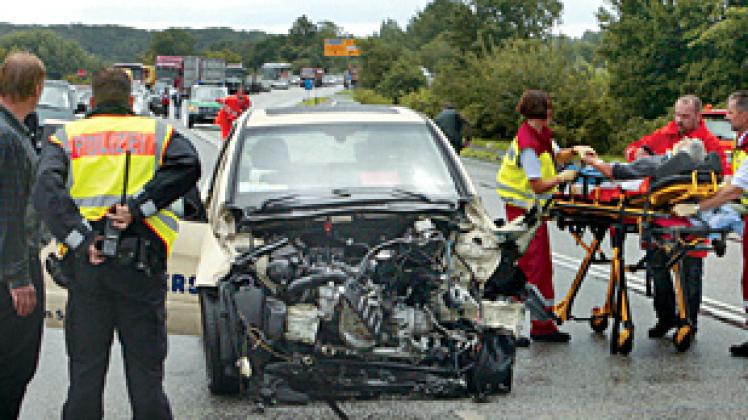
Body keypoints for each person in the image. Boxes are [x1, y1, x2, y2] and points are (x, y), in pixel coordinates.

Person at [33, 68, 201, 419]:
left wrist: (81, 239)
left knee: (85, 377)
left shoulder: (67, 137)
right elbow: (189, 166)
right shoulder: (158, 133)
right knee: (146, 380)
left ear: (91, 101)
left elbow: (46, 192)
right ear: (131, 100)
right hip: (140, 269)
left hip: (87, 269)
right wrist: (140, 208)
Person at [623, 95, 728, 339]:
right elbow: (634, 150)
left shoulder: (709, 142)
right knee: (657, 265)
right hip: (660, 212)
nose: (679, 121)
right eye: (677, 115)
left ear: (697, 117)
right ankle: (666, 317)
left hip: (692, 214)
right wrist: (640, 155)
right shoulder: (665, 134)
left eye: (685, 117)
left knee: (691, 269)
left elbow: (721, 173)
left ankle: (688, 322)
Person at [495, 89, 587, 342]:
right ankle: (519, 328)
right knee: (532, 269)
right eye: (549, 108)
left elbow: (555, 155)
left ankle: (539, 324)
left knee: (537, 268)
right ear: (543, 112)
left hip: (530, 211)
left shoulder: (537, 134)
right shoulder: (528, 146)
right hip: (523, 212)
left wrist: (574, 152)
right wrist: (561, 178)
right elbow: (537, 184)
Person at [671, 90, 748, 357]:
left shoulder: (717, 143)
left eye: (730, 112)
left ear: (744, 114)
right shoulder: (741, 142)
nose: (727, 116)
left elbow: (734, 189)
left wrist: (697, 207)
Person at [0, 52, 46, 420]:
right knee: (14, 368)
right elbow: (9, 212)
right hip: (10, 271)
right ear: (36, 88)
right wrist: (18, 278)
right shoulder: (9, 139)